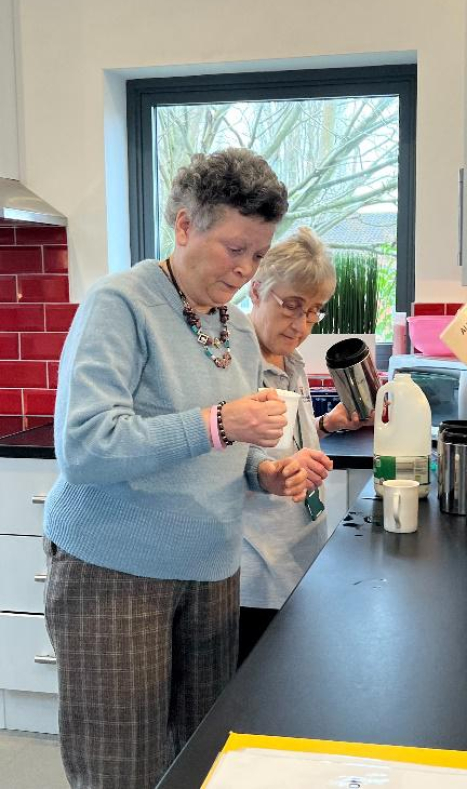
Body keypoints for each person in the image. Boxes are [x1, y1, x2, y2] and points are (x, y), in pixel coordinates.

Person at [42, 148, 309, 789]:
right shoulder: (120, 305)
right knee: (121, 771)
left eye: (257, 255)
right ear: (185, 225)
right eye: (233, 248)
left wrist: (265, 472)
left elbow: (231, 451)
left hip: (213, 572)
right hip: (115, 573)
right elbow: (85, 445)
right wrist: (219, 422)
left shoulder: (237, 332)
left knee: (202, 759)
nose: (245, 271)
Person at [238, 227, 372, 663]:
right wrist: (270, 474)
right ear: (257, 291)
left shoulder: (291, 360)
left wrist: (325, 424)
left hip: (301, 549)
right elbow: (216, 457)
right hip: (257, 569)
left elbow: (283, 441)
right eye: (292, 306)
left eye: (314, 311)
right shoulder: (232, 365)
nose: (301, 325)